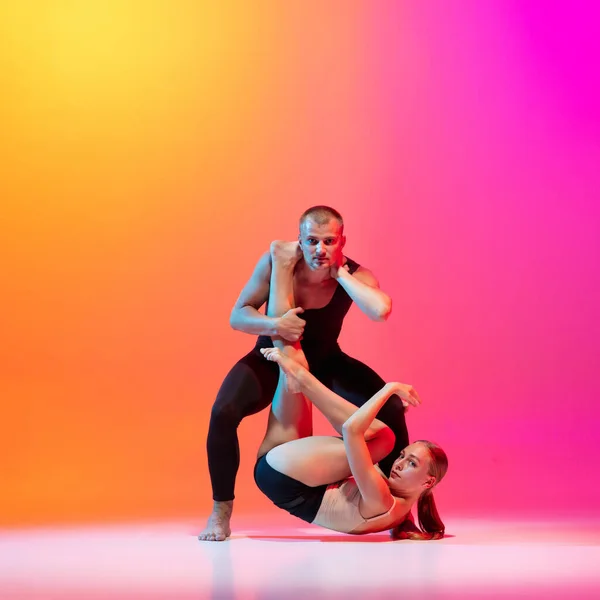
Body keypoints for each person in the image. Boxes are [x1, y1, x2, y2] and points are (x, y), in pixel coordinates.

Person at [199, 206, 409, 541]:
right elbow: (238, 317)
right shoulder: (276, 261)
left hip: (326, 362)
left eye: (329, 241)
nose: (319, 249)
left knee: (393, 409)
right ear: (299, 239)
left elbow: (380, 310)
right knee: (223, 413)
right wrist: (274, 324)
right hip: (271, 356)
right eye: (311, 241)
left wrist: (341, 276)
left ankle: (403, 515)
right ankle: (220, 512)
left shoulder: (355, 274)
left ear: (342, 242)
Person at [251, 241, 448, 539]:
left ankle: (300, 376)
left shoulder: (384, 500)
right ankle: (297, 372)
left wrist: (389, 389)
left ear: (428, 482)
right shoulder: (397, 501)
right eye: (405, 456)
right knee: (293, 355)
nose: (398, 463)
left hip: (285, 477)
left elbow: (352, 430)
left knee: (380, 438)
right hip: (295, 473)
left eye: (411, 464)